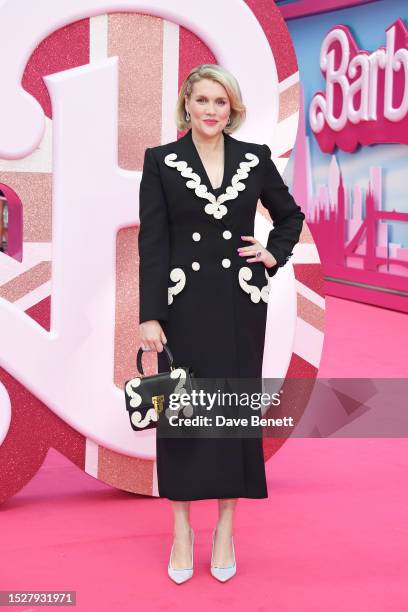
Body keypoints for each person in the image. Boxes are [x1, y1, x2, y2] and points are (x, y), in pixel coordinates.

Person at [138, 64, 305, 583]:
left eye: (221, 102)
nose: (212, 110)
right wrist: (150, 315)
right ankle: (183, 529)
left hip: (239, 304)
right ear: (187, 103)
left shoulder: (254, 159)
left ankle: (227, 526)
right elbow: (153, 241)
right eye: (204, 100)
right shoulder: (161, 161)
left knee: (232, 414)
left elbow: (291, 216)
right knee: (184, 414)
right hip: (183, 306)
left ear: (232, 108)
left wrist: (273, 253)